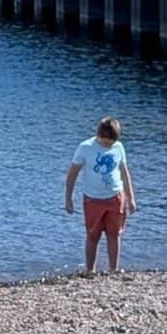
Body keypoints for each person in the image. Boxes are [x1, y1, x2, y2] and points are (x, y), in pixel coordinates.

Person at [64, 116, 138, 276]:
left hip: (115, 197)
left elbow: (124, 173)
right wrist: (68, 198)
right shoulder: (85, 148)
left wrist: (131, 197)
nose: (107, 145)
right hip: (92, 199)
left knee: (114, 233)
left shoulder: (119, 147)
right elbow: (72, 174)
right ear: (98, 135)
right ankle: (90, 270)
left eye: (110, 143)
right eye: (104, 142)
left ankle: (114, 269)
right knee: (92, 234)